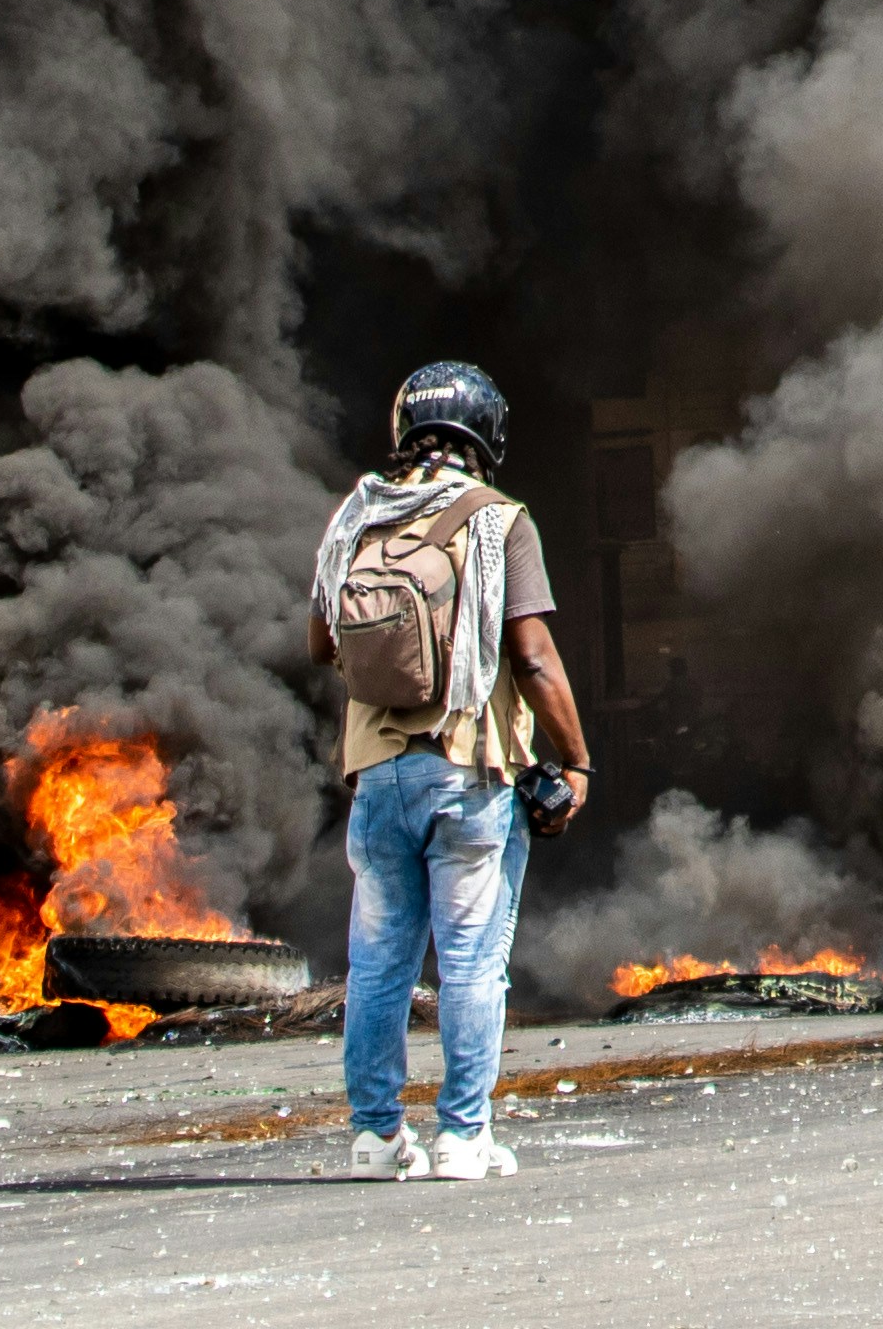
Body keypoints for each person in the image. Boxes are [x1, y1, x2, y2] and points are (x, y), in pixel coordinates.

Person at [307, 359, 592, 1181]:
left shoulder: (359, 518)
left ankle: (373, 1138)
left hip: (377, 777)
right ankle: (463, 1136)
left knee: (378, 963)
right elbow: (533, 659)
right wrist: (575, 760)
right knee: (470, 960)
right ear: (487, 435)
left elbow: (322, 643)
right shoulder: (500, 522)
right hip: (467, 770)